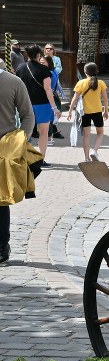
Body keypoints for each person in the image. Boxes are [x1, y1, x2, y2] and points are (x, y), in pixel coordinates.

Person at [0, 58, 36, 264]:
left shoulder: (13, 82)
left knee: (1, 199)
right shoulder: (14, 81)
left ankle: (1, 245)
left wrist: (19, 142)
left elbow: (27, 115)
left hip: (4, 148)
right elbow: (28, 116)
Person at [15, 46, 57, 157]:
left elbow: (17, 86)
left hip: (24, 104)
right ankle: (40, 159)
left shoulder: (20, 68)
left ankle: (21, 157)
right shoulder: (44, 69)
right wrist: (54, 107)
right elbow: (48, 89)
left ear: (27, 54)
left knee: (24, 132)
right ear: (38, 54)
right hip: (43, 104)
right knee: (43, 132)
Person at [67, 62, 108, 161]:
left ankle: (86, 158)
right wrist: (106, 111)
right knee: (100, 133)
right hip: (97, 111)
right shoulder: (101, 83)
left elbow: (74, 99)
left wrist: (70, 111)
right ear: (96, 71)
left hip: (84, 112)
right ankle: (94, 151)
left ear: (85, 72)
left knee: (86, 136)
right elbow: (105, 99)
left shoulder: (81, 83)